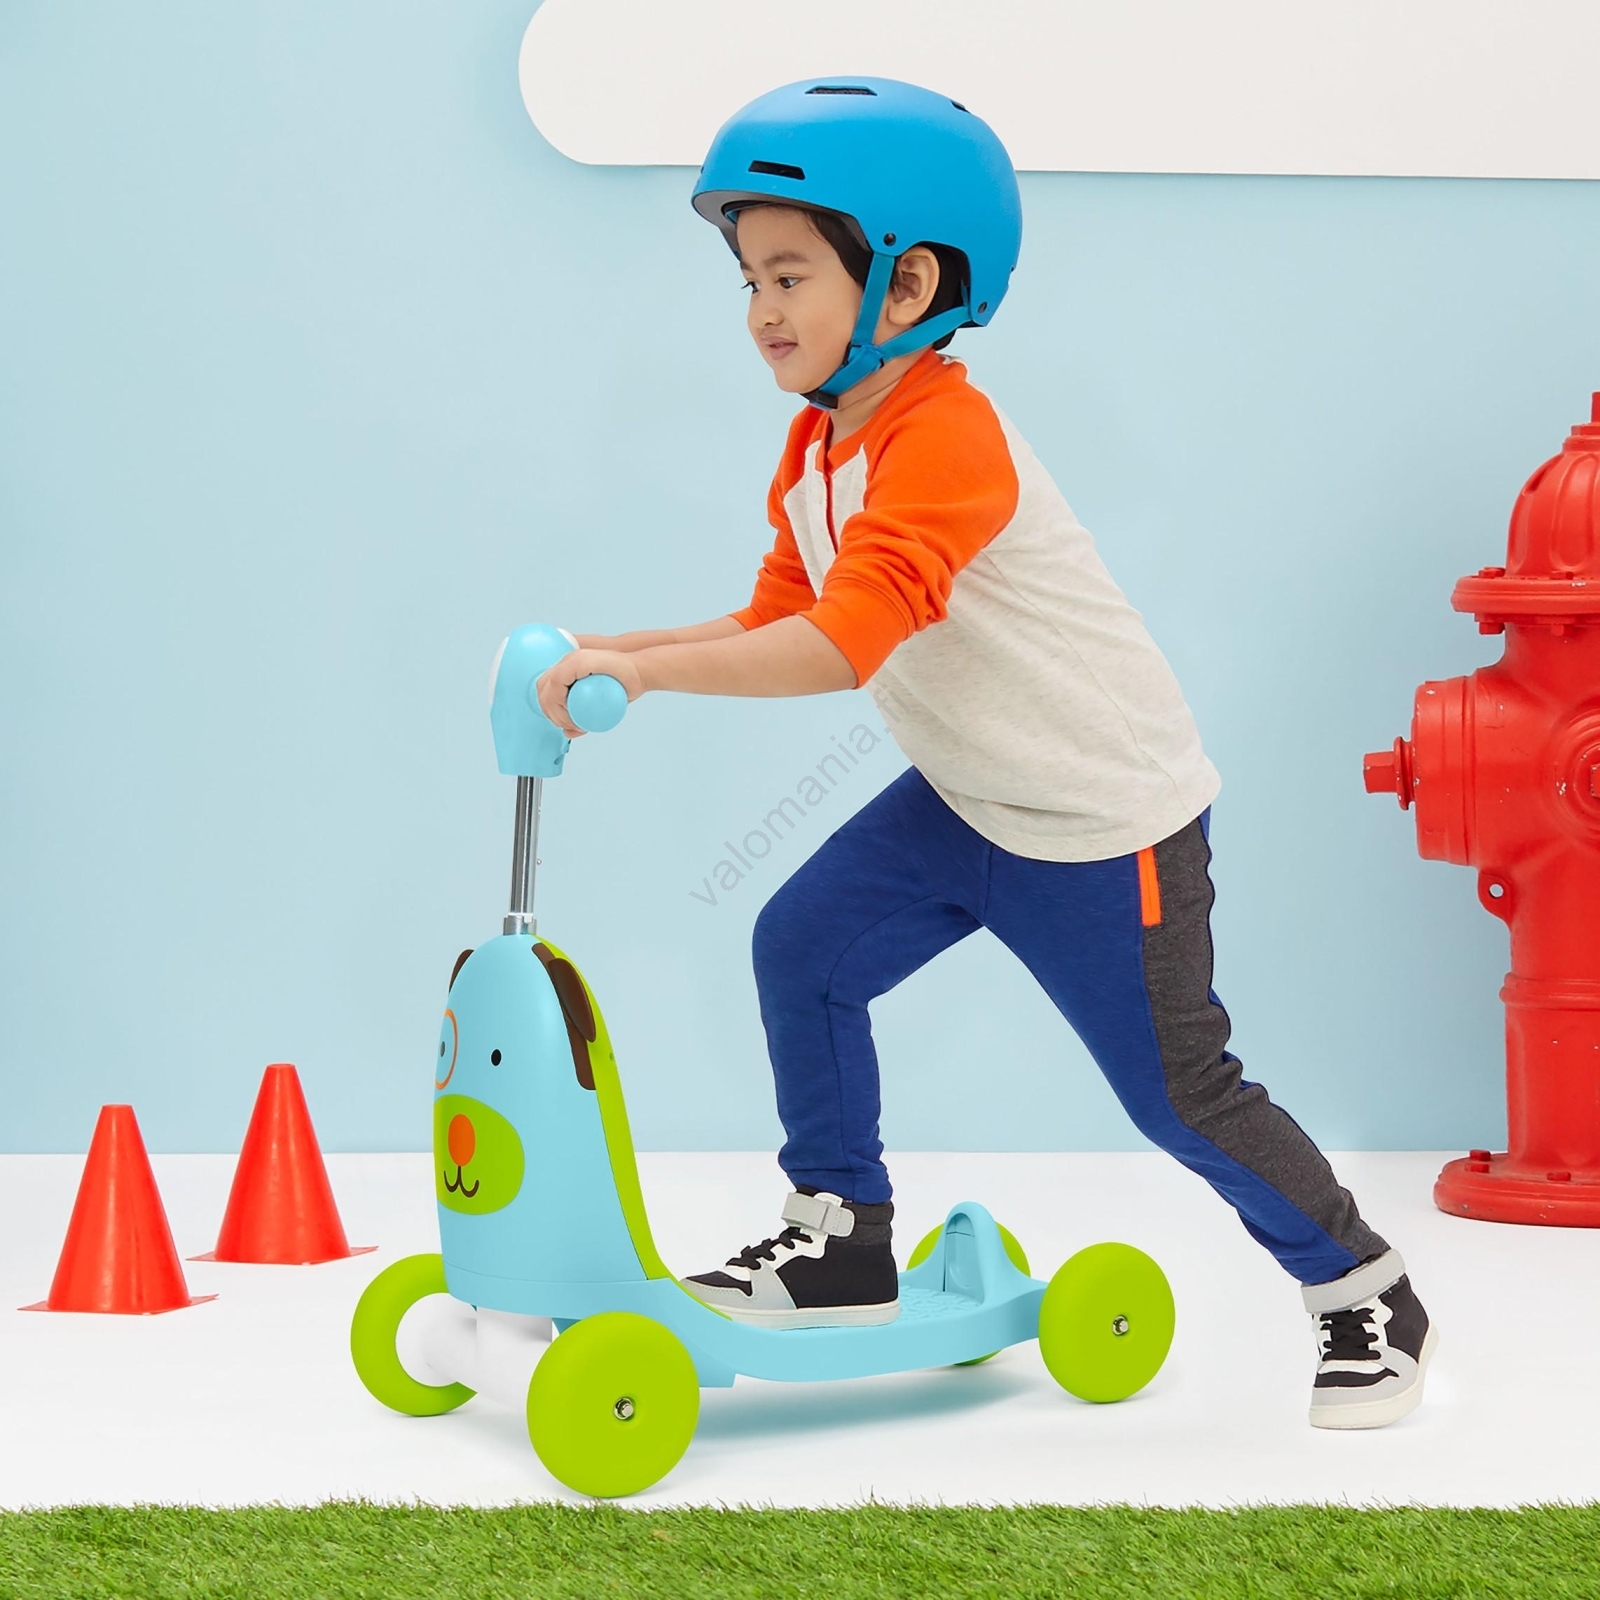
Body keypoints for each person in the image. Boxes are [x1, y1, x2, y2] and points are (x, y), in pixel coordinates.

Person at [534, 78, 1435, 1430]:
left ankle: (1363, 1287)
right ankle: (841, 1235)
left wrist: (649, 674)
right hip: (967, 801)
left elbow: (843, 647)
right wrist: (624, 647)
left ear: (909, 286)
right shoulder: (817, 445)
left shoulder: (945, 435)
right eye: (748, 278)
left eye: (790, 274)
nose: (760, 308)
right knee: (803, 948)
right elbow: (779, 614)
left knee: (1180, 1095)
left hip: (1102, 823)